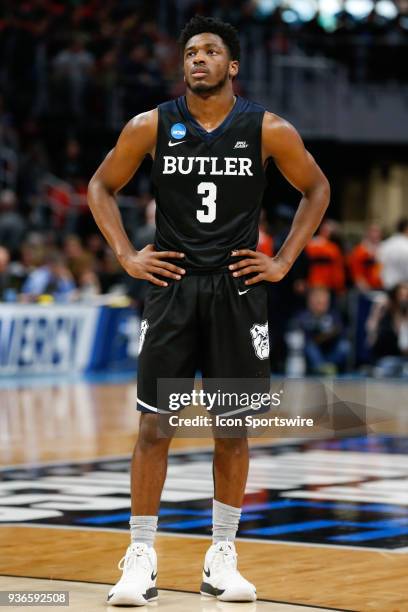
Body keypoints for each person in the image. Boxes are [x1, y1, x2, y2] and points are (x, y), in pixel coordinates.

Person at [88, 15, 330, 606]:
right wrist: (125, 254)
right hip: (172, 287)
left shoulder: (267, 129)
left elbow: (316, 189)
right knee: (155, 426)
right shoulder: (151, 125)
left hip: (237, 290)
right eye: (191, 51)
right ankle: (140, 556)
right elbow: (101, 186)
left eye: (211, 51)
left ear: (233, 65)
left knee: (231, 429)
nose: (198, 59)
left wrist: (283, 263)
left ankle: (222, 556)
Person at [295, 286, 350, 375]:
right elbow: (302, 337)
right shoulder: (303, 316)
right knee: (309, 347)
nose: (322, 306)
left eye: (324, 303)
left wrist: (332, 333)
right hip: (314, 353)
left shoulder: (333, 315)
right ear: (310, 302)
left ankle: (329, 366)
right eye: (318, 303)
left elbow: (341, 331)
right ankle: (320, 367)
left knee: (344, 346)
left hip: (331, 351)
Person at [366, 281, 408, 377]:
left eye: (407, 296)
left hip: (405, 360)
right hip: (388, 358)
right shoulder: (385, 315)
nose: (404, 300)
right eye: (401, 295)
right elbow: (371, 339)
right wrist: (377, 311)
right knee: (388, 366)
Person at [305, 218, 345, 294]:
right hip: (313, 280)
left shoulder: (333, 247)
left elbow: (337, 267)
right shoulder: (311, 243)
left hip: (328, 282)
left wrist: (339, 285)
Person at [348, 223, 383, 290]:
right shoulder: (360, 250)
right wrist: (363, 286)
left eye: (377, 231)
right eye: (373, 231)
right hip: (366, 287)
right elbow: (356, 272)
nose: (375, 234)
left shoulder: (383, 248)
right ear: (367, 233)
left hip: (380, 285)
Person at [378, 218, 408, 290]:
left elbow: (379, 262)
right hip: (401, 289)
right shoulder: (406, 245)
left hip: (386, 284)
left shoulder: (385, 244)